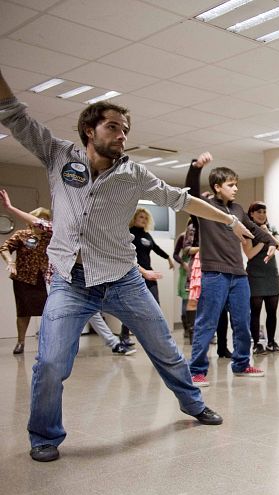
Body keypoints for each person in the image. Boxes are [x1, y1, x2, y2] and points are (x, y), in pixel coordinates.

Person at [0, 68, 255, 462]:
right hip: (70, 281)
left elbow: (181, 200)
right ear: (90, 130)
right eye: (113, 127)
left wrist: (230, 220)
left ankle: (192, 403)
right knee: (50, 361)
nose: (122, 135)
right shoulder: (58, 155)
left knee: (165, 348)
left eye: (125, 130)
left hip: (122, 279)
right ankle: (44, 435)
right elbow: (15, 114)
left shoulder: (134, 174)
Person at [1, 190, 137, 356]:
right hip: (52, 280)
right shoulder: (44, 232)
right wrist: (10, 209)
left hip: (75, 278)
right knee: (52, 314)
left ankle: (113, 343)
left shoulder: (75, 231)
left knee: (91, 312)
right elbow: (37, 223)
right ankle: (44, 348)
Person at [186, 154, 278, 387]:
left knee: (242, 321)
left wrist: (271, 242)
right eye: (230, 184)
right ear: (217, 187)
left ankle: (241, 364)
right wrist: (196, 168)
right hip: (214, 274)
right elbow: (191, 193)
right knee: (207, 323)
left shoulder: (237, 209)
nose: (236, 188)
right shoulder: (204, 207)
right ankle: (196, 371)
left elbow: (254, 229)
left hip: (239, 275)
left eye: (236, 184)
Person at [0, 204, 51, 355]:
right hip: (24, 279)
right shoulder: (21, 235)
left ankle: (48, 342)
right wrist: (10, 262)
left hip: (45, 279)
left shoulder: (50, 237)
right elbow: (5, 248)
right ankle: (20, 342)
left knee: (49, 311)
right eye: (39, 219)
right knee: (23, 312)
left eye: (45, 219)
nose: (41, 222)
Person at [118, 207, 173, 343]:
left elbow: (156, 248)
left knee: (155, 304)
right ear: (134, 218)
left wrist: (168, 258)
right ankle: (124, 336)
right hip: (134, 273)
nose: (144, 220)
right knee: (131, 307)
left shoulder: (147, 235)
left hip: (149, 272)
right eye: (141, 217)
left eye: (146, 218)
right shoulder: (129, 233)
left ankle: (158, 335)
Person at [243, 201, 279, 354]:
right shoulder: (247, 230)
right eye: (258, 212)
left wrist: (268, 234)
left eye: (264, 212)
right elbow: (249, 254)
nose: (262, 215)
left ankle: (271, 342)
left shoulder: (271, 227)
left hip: (271, 274)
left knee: (272, 311)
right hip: (255, 275)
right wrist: (262, 238)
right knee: (255, 311)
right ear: (251, 214)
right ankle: (256, 343)